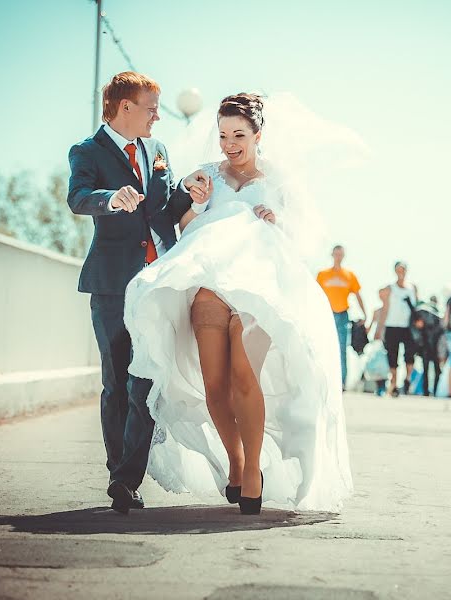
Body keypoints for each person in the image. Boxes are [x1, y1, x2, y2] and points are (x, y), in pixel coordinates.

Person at [123, 93, 354, 514]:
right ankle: (237, 461)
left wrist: (276, 221)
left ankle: (252, 477)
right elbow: (183, 229)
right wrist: (194, 202)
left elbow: (304, 238)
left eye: (239, 135)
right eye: (224, 135)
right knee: (215, 384)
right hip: (209, 288)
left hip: (260, 290)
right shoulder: (206, 175)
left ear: (257, 135)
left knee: (244, 376)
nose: (229, 143)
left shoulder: (280, 179)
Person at [66, 72, 203, 514]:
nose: (157, 116)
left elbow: (165, 211)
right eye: (151, 107)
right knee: (117, 381)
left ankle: (127, 478)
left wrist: (188, 192)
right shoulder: (87, 151)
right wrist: (110, 198)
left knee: (146, 382)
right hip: (112, 283)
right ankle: (119, 474)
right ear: (125, 107)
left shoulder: (158, 150)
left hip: (159, 280)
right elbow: (79, 197)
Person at [316, 245, 367, 391]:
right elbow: (314, 295)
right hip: (326, 315)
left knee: (341, 349)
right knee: (323, 347)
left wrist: (364, 314)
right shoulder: (322, 275)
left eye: (340, 254)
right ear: (332, 255)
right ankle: (324, 381)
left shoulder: (349, 275)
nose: (338, 257)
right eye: (336, 254)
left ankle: (341, 382)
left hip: (343, 315)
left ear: (343, 256)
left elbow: (358, 295)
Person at [377, 262, 418, 397]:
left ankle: (407, 380)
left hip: (408, 327)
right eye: (398, 270)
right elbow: (385, 308)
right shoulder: (390, 288)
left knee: (410, 355)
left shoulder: (413, 288)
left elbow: (416, 307)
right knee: (392, 355)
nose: (401, 272)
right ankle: (394, 383)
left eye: (403, 269)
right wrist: (379, 328)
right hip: (392, 326)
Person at [411, 299, 444, 397]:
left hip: (430, 346)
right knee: (431, 369)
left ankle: (429, 391)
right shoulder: (429, 313)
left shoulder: (424, 313)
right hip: (430, 346)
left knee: (430, 369)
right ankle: (431, 390)